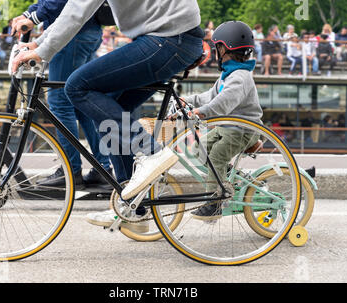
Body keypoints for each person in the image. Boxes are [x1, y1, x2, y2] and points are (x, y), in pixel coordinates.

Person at [12, 0, 204, 228]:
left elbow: (77, 10)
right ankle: (130, 205)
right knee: (106, 107)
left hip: (169, 39)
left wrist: (42, 51)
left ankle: (150, 152)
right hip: (172, 37)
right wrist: (38, 43)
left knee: (77, 87)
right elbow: (76, 8)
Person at [12, 0, 114, 190]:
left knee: (60, 103)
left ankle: (71, 170)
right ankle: (103, 169)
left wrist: (33, 18)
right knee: (81, 102)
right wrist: (29, 14)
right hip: (86, 31)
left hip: (71, 35)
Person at [177, 21, 262, 220]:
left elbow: (223, 103)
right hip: (228, 128)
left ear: (224, 49)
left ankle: (214, 203)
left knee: (216, 156)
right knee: (199, 149)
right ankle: (227, 179)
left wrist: (202, 112)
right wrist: (185, 102)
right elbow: (210, 97)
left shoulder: (240, 77)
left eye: (217, 48)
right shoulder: (228, 75)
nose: (216, 52)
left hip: (242, 131)